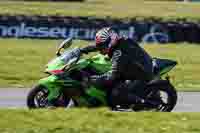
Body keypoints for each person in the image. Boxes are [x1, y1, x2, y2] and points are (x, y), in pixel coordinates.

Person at [79, 27, 158, 108]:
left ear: (110, 42)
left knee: (116, 93)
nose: (101, 49)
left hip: (141, 74)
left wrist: (94, 79)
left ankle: (145, 103)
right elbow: (99, 46)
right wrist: (81, 50)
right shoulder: (117, 43)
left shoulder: (118, 53)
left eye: (102, 46)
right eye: (100, 45)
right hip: (132, 67)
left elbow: (112, 75)